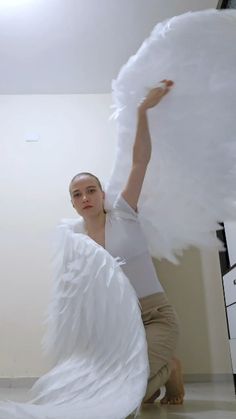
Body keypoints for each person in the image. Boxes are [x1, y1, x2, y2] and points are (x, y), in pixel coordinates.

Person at [69, 79, 185, 405]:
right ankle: (157, 375)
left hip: (157, 315)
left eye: (90, 189)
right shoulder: (78, 240)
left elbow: (139, 162)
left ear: (101, 194)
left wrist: (143, 110)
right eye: (77, 194)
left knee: (130, 393)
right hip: (123, 323)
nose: (85, 197)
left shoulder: (123, 213)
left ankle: (171, 368)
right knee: (115, 394)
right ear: (74, 204)